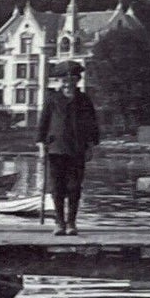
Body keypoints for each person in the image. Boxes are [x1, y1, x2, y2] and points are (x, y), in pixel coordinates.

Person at [37, 60, 100, 236]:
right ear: (59, 82)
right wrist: (41, 145)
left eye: (71, 80)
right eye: (64, 81)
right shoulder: (52, 100)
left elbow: (92, 124)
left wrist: (91, 145)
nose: (68, 84)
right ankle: (59, 222)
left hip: (77, 149)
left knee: (74, 186)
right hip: (56, 149)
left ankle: (71, 222)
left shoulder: (84, 100)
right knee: (57, 187)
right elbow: (43, 123)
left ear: (77, 81)